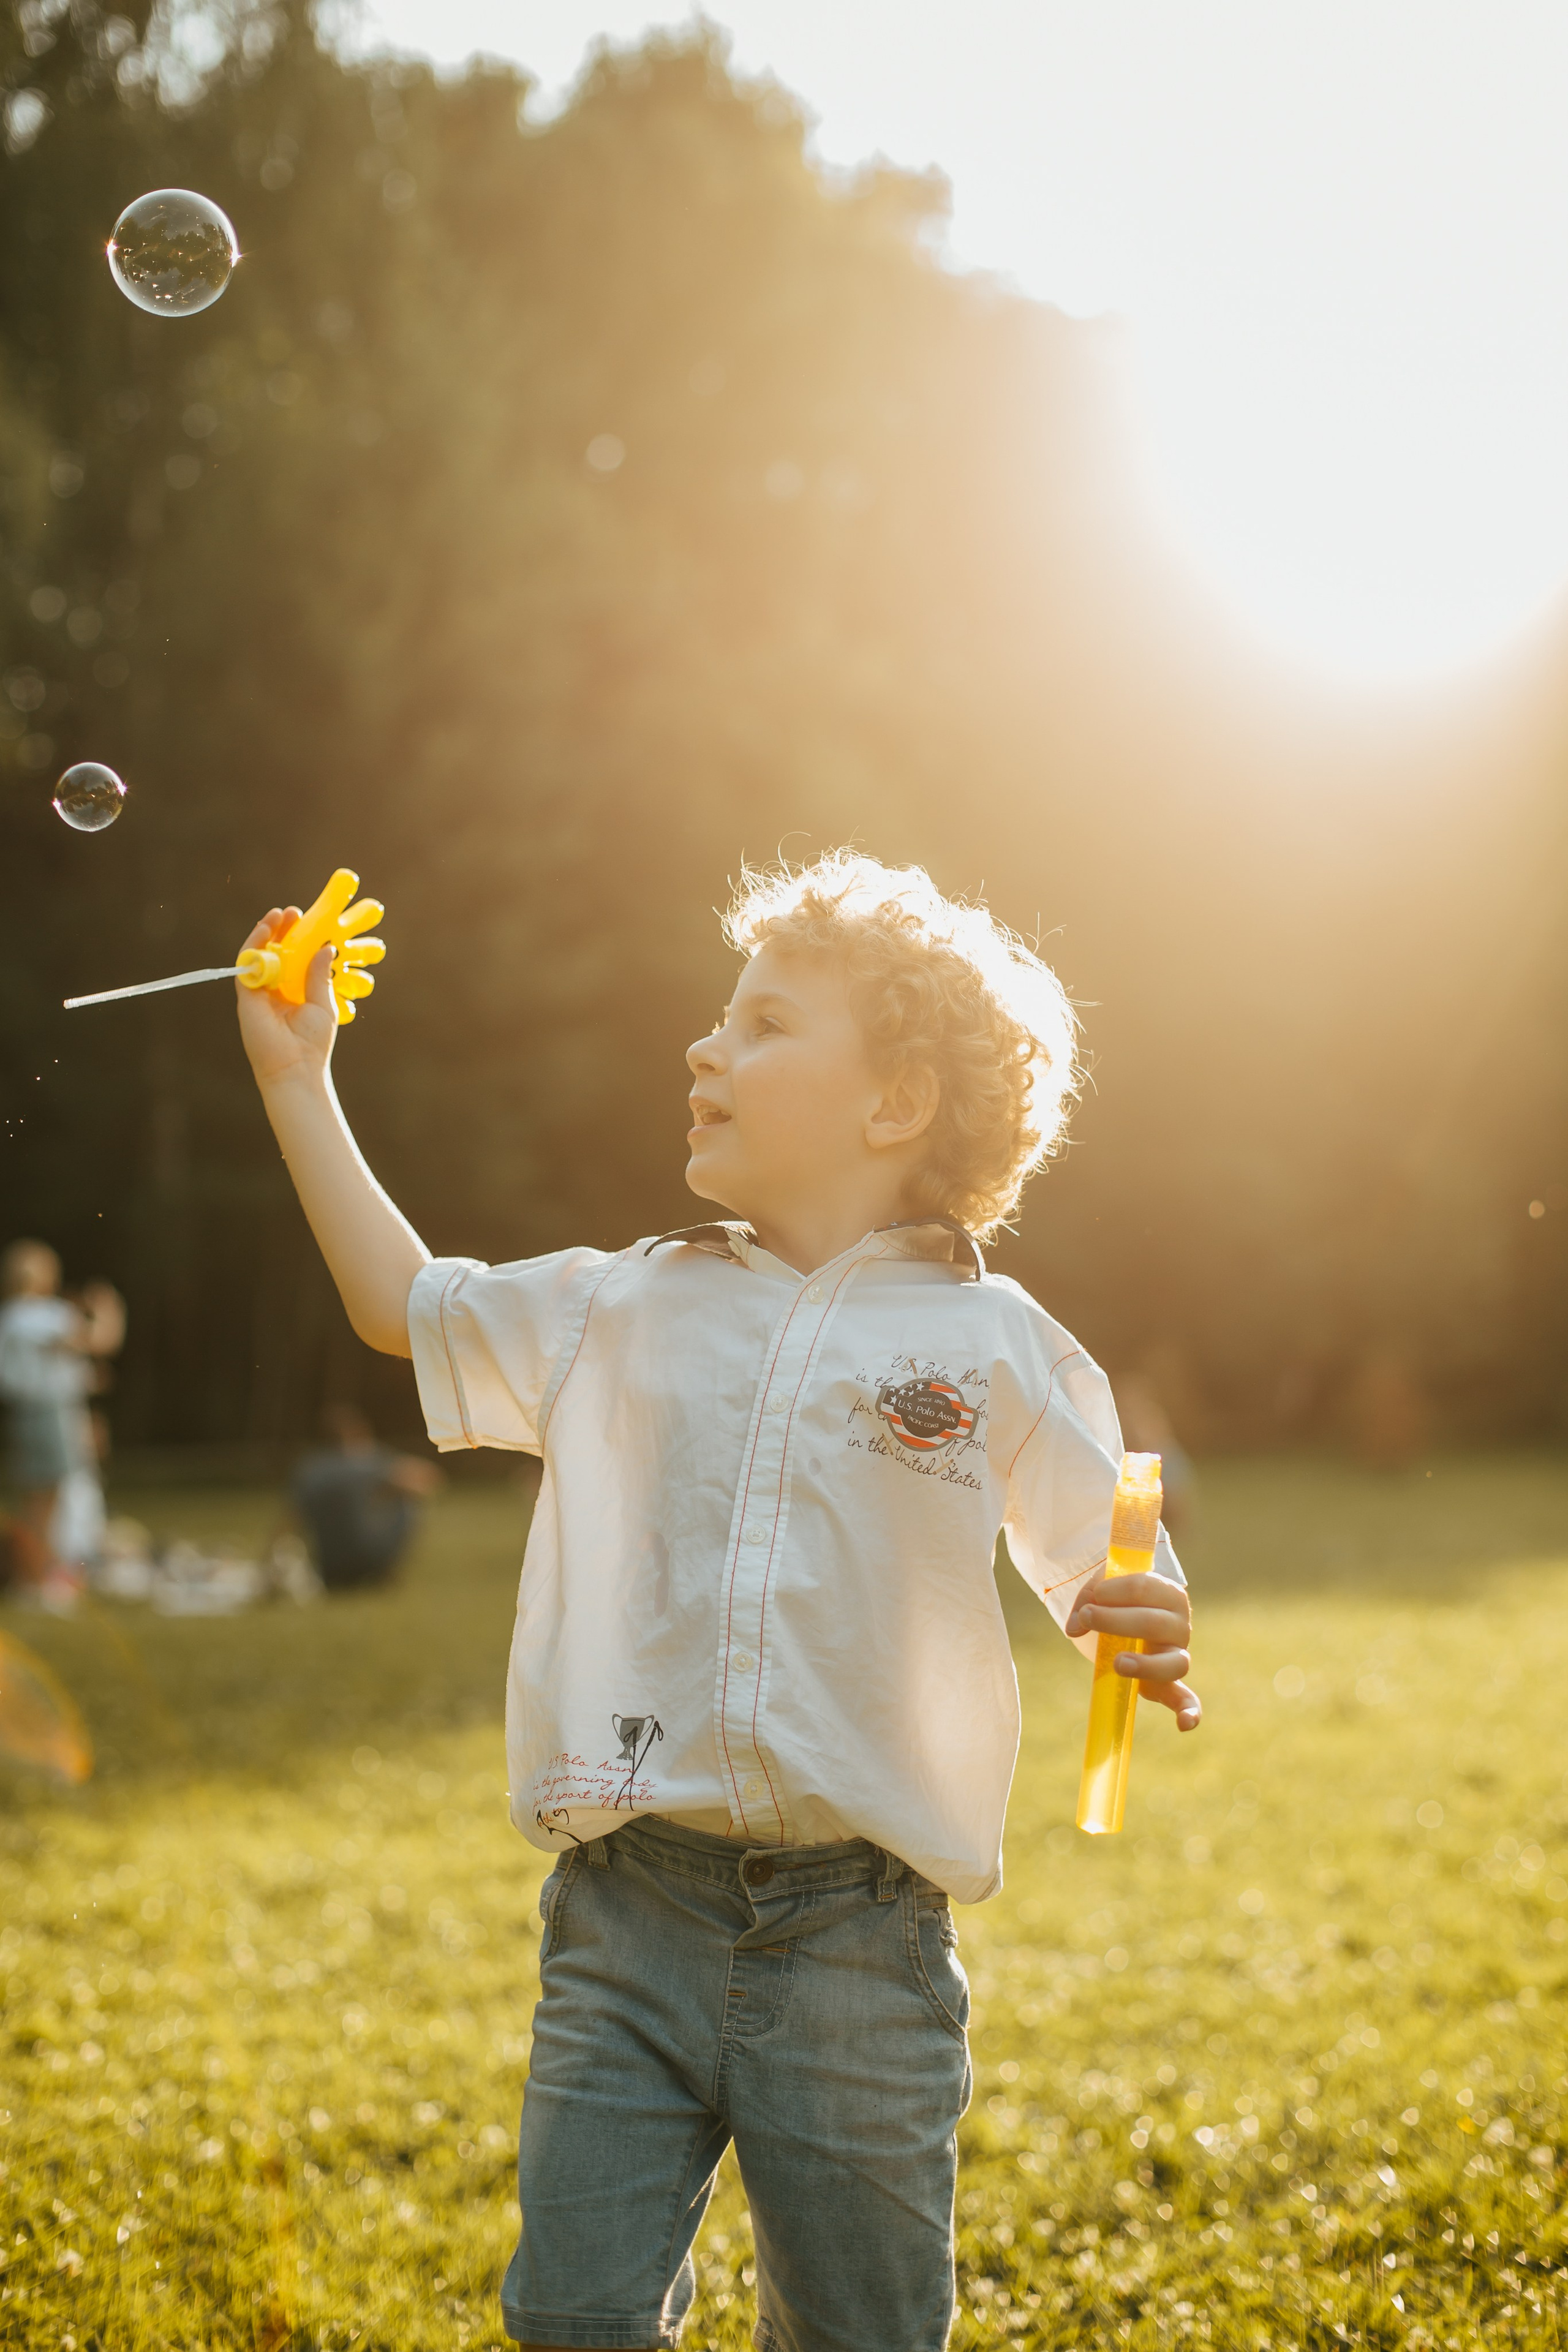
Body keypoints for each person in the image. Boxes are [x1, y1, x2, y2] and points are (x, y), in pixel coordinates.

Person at [235, 850, 1200, 2352]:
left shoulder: (993, 1339)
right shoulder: (622, 1301)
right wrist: (299, 1079)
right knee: (570, 2311)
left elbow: (1103, 1548)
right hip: (627, 1916)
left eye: (761, 1024)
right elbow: (402, 1301)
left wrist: (1139, 1608)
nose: (704, 1047)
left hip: (860, 1944)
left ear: (893, 1105)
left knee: (859, 2329)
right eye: (719, 1019)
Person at [0, 1240, 124, 1613]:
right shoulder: (38, 1314)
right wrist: (110, 1310)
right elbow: (98, 1342)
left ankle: (34, 1577)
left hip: (25, 1412)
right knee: (48, 1499)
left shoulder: (11, 1316)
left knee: (37, 1498)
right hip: (47, 1412)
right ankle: (38, 1582)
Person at [289, 1403, 440, 1590]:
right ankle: (387, 1573)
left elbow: (291, 1518)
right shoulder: (366, 1463)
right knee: (407, 1501)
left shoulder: (310, 1469)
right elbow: (429, 1480)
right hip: (369, 1562)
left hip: (327, 1566)